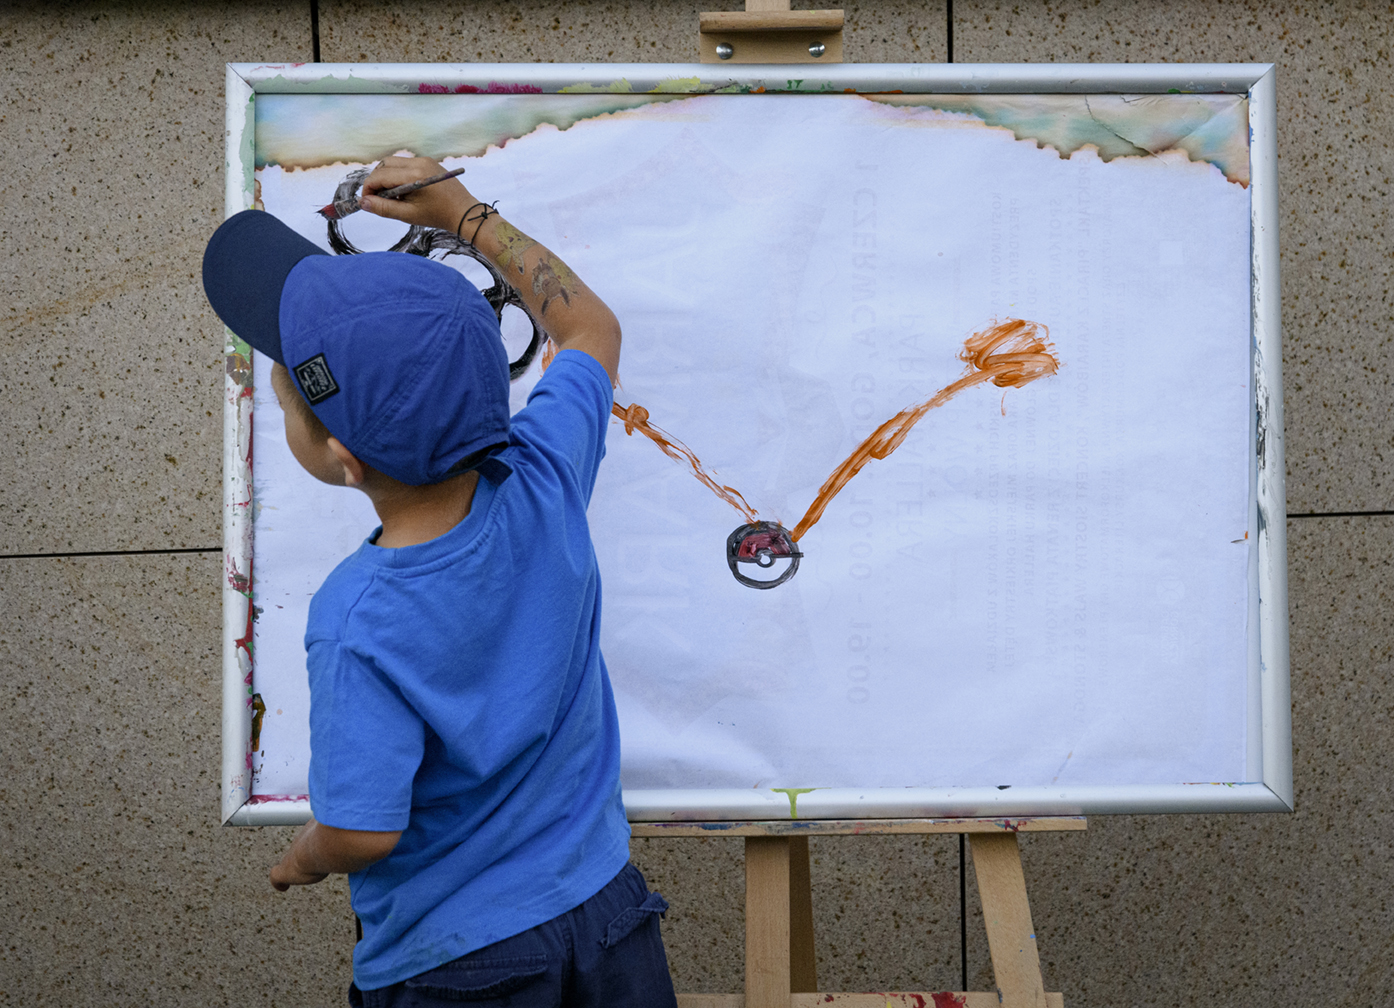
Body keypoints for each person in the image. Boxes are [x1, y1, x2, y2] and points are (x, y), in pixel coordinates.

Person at [201, 156, 678, 1008]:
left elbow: (361, 832)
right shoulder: (544, 477)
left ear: (342, 459)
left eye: (284, 381)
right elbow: (589, 331)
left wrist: (300, 860)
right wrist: (464, 214)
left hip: (457, 967)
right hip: (609, 917)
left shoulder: (357, 618)